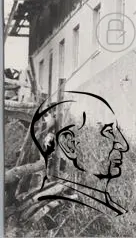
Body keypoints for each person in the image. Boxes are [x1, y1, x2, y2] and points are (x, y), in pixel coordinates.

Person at [26, 91, 130, 220]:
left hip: (62, 163)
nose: (54, 115)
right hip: (51, 163)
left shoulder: (66, 127)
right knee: (52, 178)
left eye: (56, 112)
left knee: (64, 178)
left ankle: (64, 199)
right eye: (52, 113)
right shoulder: (49, 129)